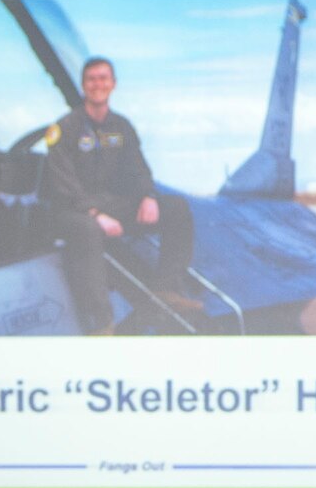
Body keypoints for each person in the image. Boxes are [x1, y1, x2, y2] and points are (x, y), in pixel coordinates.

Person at [39, 55, 199, 333]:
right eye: (91, 79)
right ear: (83, 86)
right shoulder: (64, 129)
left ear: (113, 84)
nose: (97, 84)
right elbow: (63, 184)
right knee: (89, 230)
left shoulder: (121, 127)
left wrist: (148, 196)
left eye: (103, 79)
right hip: (71, 211)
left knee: (176, 208)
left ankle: (166, 290)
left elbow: (138, 169)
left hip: (110, 206)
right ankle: (102, 322)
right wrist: (96, 214)